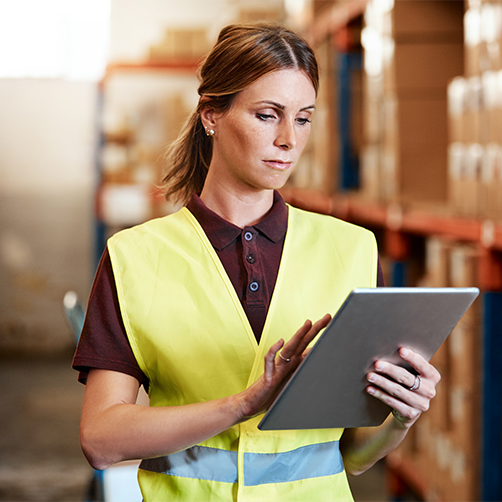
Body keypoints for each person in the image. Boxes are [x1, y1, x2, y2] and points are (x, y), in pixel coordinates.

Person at [73, 22, 441, 501]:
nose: (289, 139)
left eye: (304, 118)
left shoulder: (352, 250)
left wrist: (400, 419)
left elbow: (349, 454)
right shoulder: (136, 258)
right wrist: (241, 405)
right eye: (268, 115)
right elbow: (100, 440)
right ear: (211, 114)